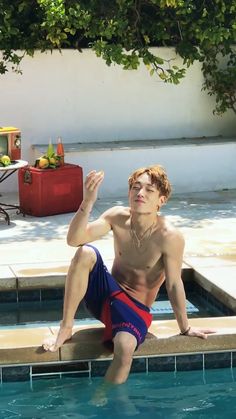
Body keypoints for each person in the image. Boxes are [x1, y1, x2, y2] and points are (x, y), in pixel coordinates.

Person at [43, 165, 215, 384]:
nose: (140, 193)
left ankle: (106, 401)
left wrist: (185, 328)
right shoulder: (116, 217)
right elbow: (74, 239)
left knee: (124, 349)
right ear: (129, 193)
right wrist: (87, 201)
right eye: (136, 187)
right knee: (85, 252)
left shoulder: (170, 236)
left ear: (161, 200)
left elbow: (173, 284)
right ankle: (66, 327)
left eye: (149, 190)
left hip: (134, 311)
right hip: (104, 299)